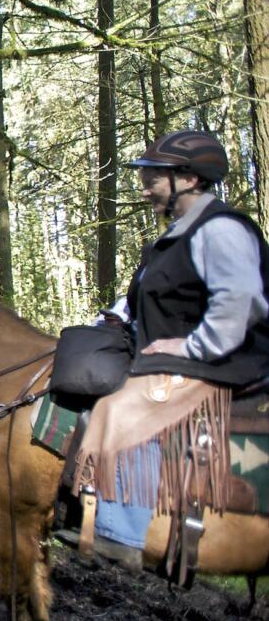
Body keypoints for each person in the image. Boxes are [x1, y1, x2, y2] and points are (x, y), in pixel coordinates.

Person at [75, 130, 269, 567]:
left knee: (124, 407)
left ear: (190, 178)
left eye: (154, 178)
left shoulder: (220, 229)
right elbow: (141, 297)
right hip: (184, 356)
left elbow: (240, 299)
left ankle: (120, 534)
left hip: (229, 362)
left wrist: (193, 347)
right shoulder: (175, 238)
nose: (145, 188)